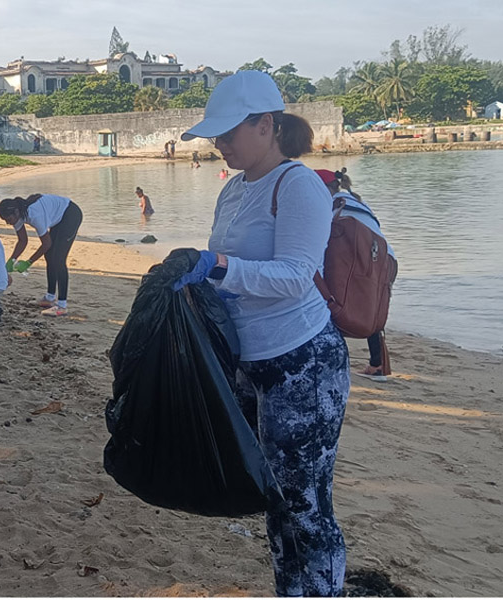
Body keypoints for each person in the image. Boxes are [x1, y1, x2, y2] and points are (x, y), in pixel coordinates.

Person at [176, 69, 349, 597]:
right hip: (250, 363)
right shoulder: (232, 192)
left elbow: (297, 275)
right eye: (217, 135)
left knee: (306, 502)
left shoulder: (296, 185)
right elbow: (235, 276)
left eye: (230, 132)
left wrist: (219, 266)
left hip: (302, 364)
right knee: (272, 493)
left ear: (267, 125)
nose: (221, 143)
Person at [315, 168, 397, 383]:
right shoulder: (355, 201)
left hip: (360, 259)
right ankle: (378, 365)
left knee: (333, 302)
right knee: (372, 306)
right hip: (387, 260)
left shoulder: (331, 205)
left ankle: (331, 360)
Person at [0, 193, 83, 317]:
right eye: (5, 220)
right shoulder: (17, 216)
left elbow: (46, 243)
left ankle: (62, 306)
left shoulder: (35, 215)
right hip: (58, 218)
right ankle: (49, 298)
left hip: (70, 214)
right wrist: (12, 260)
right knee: (49, 256)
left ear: (16, 212)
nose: (8, 223)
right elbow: (22, 241)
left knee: (58, 259)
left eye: (9, 220)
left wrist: (28, 263)